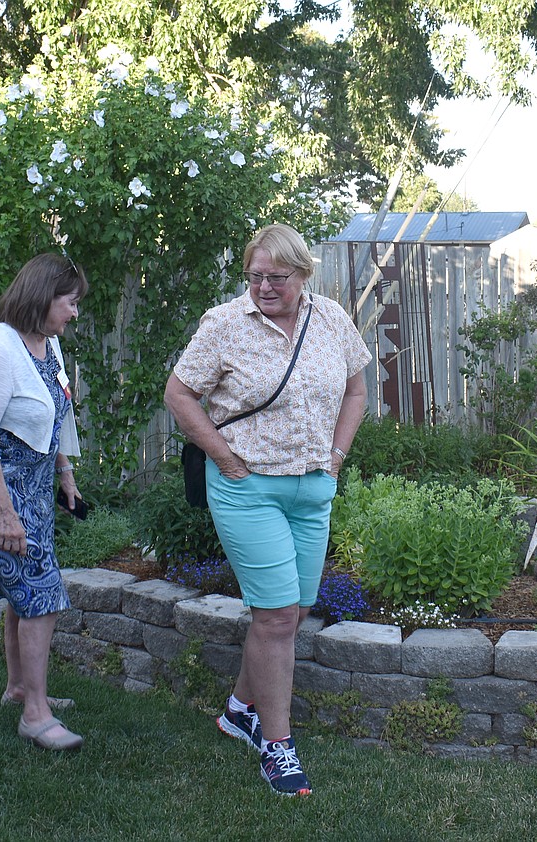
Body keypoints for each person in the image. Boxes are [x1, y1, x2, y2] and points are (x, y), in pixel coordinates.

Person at [164, 223, 369, 797]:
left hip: (312, 488)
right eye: (255, 276)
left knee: (296, 611)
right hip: (247, 486)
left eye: (276, 277)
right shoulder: (224, 324)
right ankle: (277, 749)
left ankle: (238, 710)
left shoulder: (330, 319)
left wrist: (336, 457)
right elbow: (178, 394)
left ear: (303, 274)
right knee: (275, 616)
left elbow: (357, 388)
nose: (263, 287)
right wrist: (223, 456)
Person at [0, 252, 89, 752]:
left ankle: (18, 689)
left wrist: (65, 474)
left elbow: (58, 413)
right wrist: (5, 513)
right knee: (42, 593)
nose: (74, 313)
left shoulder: (46, 344)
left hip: (31, 487)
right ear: (42, 296)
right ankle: (35, 714)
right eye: (70, 303)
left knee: (25, 593)